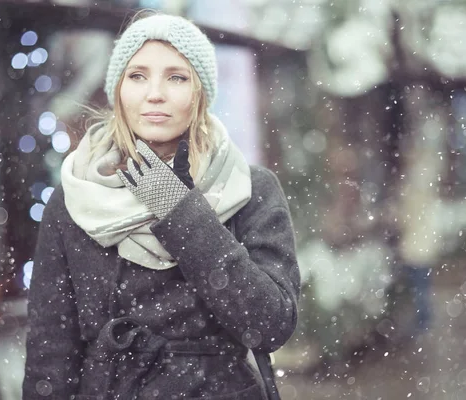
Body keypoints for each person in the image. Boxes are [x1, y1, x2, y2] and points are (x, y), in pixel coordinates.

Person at [22, 10, 301, 400]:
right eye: (137, 76)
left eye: (176, 77)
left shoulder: (249, 189)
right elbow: (50, 351)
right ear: (118, 90)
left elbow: (270, 324)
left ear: (200, 92)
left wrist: (179, 210)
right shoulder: (75, 197)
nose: (155, 93)